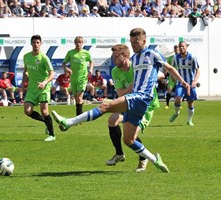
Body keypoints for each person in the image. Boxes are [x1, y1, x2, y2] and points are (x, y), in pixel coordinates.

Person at [52, 28, 191, 173]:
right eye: (131, 42)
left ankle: (68, 122)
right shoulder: (134, 59)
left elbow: (168, 68)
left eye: (136, 42)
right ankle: (155, 159)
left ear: (144, 41)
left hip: (143, 97)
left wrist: (182, 82)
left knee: (105, 106)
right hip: (136, 98)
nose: (134, 45)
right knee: (128, 140)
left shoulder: (151, 53)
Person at [105, 44, 162, 172]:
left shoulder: (137, 66)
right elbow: (120, 94)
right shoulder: (115, 71)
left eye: (115, 57)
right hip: (129, 102)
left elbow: (158, 73)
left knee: (131, 137)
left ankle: (144, 159)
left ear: (125, 56)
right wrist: (134, 85)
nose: (113, 60)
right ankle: (119, 154)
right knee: (112, 120)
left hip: (146, 105)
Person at [22, 35, 56, 142]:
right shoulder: (26, 56)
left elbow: (52, 74)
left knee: (44, 111)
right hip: (32, 88)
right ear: (31, 43)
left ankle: (52, 135)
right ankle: (46, 122)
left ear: (41, 43)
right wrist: (23, 82)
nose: (35, 44)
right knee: (27, 111)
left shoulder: (44, 58)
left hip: (43, 88)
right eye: (34, 42)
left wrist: (45, 82)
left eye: (38, 42)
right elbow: (26, 70)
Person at [169, 41, 200, 126]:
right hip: (181, 83)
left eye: (183, 46)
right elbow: (172, 68)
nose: (181, 48)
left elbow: (198, 70)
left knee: (190, 102)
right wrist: (172, 76)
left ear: (186, 47)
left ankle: (189, 120)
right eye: (180, 46)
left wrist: (195, 81)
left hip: (191, 84)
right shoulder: (176, 58)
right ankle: (176, 113)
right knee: (178, 98)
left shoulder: (192, 57)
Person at [62, 36, 93, 116]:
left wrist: (91, 69)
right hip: (73, 77)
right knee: (76, 98)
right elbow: (64, 63)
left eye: (80, 42)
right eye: (77, 42)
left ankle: (78, 117)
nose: (78, 44)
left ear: (82, 43)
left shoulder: (86, 53)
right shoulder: (70, 53)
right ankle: (81, 114)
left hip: (83, 77)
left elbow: (91, 62)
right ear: (74, 43)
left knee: (79, 98)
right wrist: (67, 69)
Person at [164, 44, 179, 109]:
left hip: (179, 76)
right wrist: (169, 74)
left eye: (177, 48)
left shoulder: (181, 57)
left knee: (178, 91)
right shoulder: (171, 58)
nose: (176, 50)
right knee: (169, 89)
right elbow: (167, 67)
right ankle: (167, 105)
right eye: (175, 49)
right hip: (172, 76)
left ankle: (178, 105)